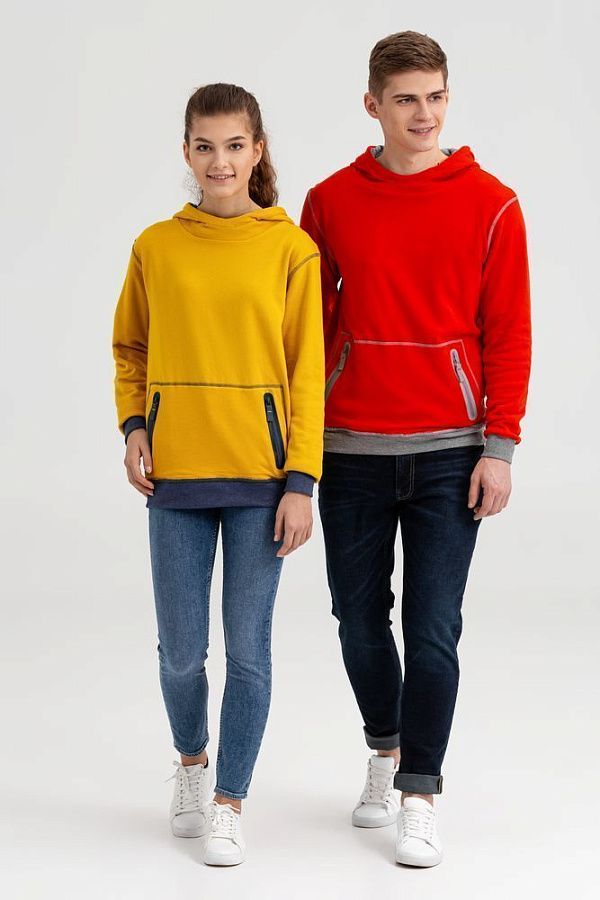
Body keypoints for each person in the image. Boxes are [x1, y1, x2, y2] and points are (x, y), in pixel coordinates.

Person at [300, 31, 531, 867]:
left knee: (433, 629)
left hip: (449, 452)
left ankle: (420, 792)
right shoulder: (329, 202)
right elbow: (307, 333)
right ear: (373, 105)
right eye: (405, 99)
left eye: (434, 96)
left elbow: (508, 331)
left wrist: (499, 445)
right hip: (350, 448)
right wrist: (298, 446)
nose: (423, 113)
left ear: (447, 97)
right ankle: (386, 745)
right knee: (358, 620)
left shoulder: (493, 203)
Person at [112, 83, 324, 866]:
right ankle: (192, 765)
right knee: (178, 652)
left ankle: (230, 801)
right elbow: (130, 348)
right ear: (187, 152)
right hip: (176, 479)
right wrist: (135, 424)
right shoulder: (156, 247)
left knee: (248, 653)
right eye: (205, 146)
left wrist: (302, 481)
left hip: (263, 482)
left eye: (235, 145)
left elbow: (308, 374)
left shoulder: (292, 250)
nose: (220, 161)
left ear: (257, 150)